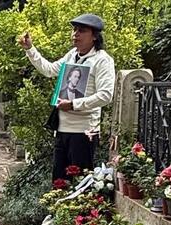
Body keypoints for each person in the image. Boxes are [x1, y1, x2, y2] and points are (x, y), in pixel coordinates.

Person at [19, 13, 115, 181]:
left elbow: (106, 95)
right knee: (59, 180)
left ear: (94, 36)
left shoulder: (102, 60)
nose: (75, 34)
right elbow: (49, 70)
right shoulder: (71, 55)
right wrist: (30, 49)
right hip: (62, 129)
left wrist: (74, 104)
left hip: (84, 131)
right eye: (74, 30)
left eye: (81, 31)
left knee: (80, 180)